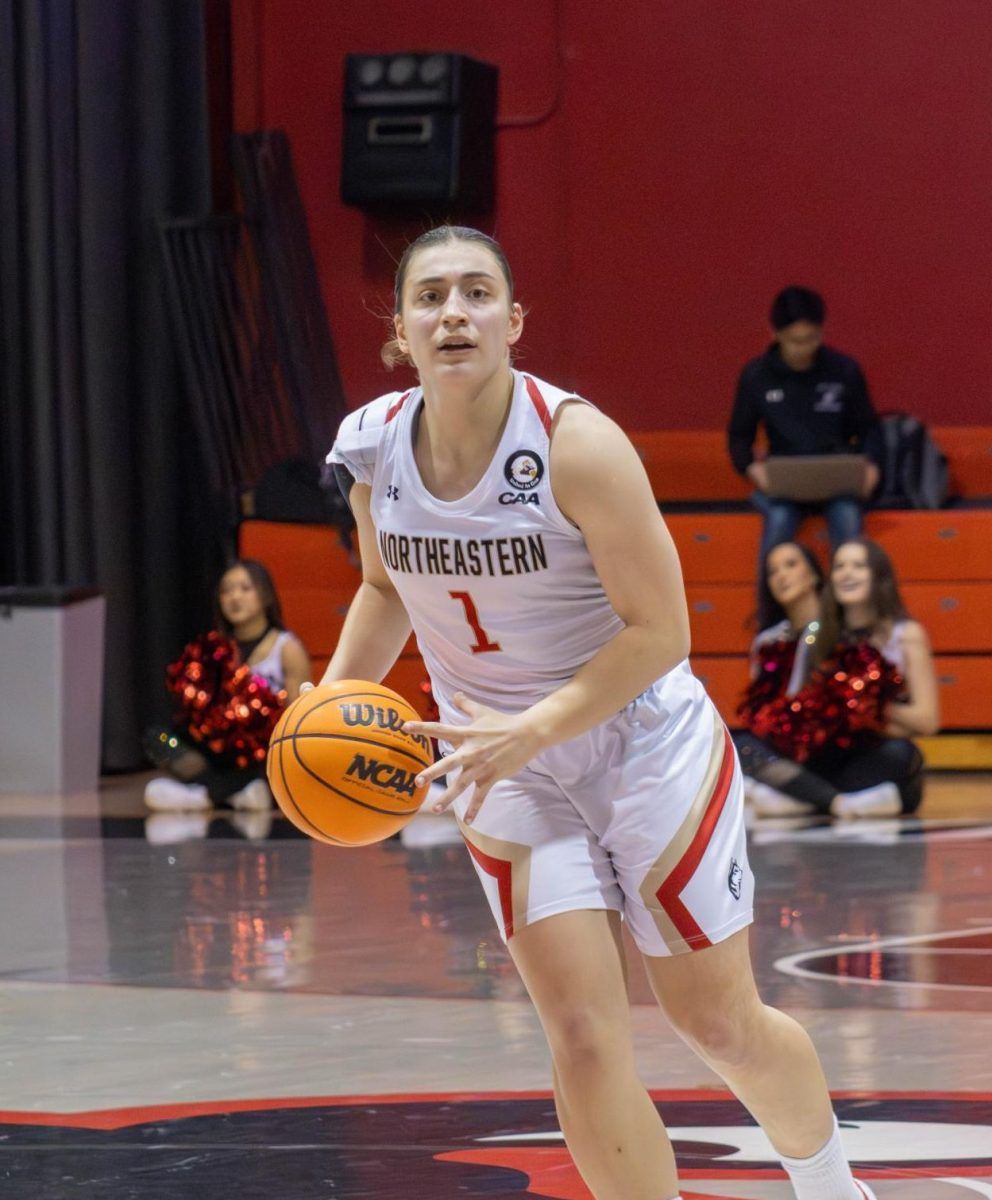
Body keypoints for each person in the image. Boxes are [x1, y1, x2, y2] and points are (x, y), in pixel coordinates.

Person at [318, 225, 877, 1200]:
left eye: (478, 293)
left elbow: (660, 632)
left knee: (715, 1022)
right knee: (578, 1032)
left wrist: (534, 726)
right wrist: (329, 698)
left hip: (638, 743)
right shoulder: (370, 449)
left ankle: (833, 1187)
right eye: (431, 296)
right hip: (501, 765)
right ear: (397, 331)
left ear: (513, 321)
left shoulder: (576, 444)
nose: (454, 311)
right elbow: (379, 588)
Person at [739, 539, 937, 818]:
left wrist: (867, 710)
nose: (847, 573)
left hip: (871, 751)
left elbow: (928, 721)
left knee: (902, 756)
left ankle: (801, 797)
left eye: (858, 566)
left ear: (878, 575)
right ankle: (836, 802)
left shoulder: (906, 634)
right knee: (743, 746)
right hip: (826, 754)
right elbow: (807, 715)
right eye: (840, 566)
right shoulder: (819, 637)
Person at [728, 286, 881, 570]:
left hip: (838, 478)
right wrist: (752, 469)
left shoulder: (844, 370)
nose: (803, 348)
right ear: (775, 334)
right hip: (784, 481)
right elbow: (739, 437)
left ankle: (849, 612)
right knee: (779, 523)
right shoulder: (756, 376)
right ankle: (771, 613)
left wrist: (871, 467)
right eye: (794, 341)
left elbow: (870, 429)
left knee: (848, 522)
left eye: (811, 339)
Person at [144, 559, 310, 812]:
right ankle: (234, 794)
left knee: (280, 756)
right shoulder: (214, 649)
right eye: (226, 590)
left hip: (263, 754)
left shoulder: (286, 648)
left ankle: (204, 796)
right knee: (160, 739)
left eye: (245, 588)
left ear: (265, 595)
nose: (234, 597)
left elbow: (299, 719)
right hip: (219, 752)